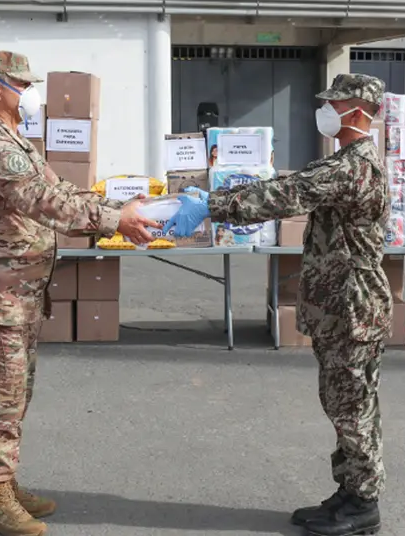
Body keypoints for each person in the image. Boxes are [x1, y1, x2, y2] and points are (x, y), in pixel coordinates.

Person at [165, 73, 392, 536]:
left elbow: (283, 193)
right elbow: (296, 186)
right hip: (340, 303)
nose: (325, 110)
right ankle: (349, 492)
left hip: (353, 306)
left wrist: (212, 204)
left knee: (353, 405)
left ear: (355, 110)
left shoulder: (354, 166)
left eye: (334, 103)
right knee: (340, 400)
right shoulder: (346, 161)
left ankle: (364, 503)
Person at [0, 49, 160, 536]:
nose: (29, 94)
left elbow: (63, 189)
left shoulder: (14, 140)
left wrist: (119, 208)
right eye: (21, 85)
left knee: (16, 395)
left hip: (17, 294)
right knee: (0, 400)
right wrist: (116, 221)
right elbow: (45, 203)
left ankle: (4, 483)